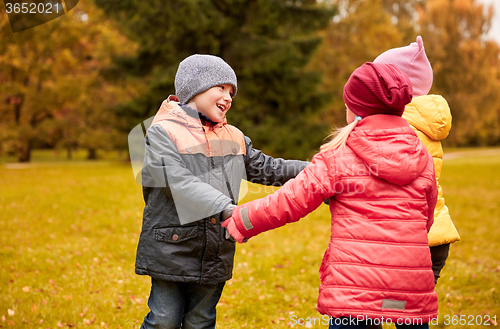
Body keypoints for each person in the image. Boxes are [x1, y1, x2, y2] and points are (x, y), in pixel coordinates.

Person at [223, 62, 439, 329]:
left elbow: (292, 199)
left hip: (356, 288)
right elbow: (426, 219)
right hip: (410, 286)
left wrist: (244, 219)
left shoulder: (339, 155)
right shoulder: (422, 156)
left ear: (357, 110)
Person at [136, 54, 309, 329]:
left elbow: (270, 168)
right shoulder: (162, 133)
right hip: (171, 245)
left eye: (231, 92)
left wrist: (316, 170)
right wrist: (227, 208)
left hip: (216, 247)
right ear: (194, 88)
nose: (228, 97)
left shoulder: (234, 137)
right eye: (221, 88)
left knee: (200, 321)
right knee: (163, 321)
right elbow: (177, 182)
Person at [373, 36, 460, 284]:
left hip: (410, 237)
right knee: (411, 309)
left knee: (382, 308)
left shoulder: (399, 124)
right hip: (434, 234)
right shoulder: (424, 121)